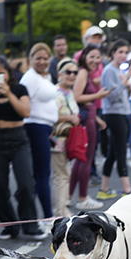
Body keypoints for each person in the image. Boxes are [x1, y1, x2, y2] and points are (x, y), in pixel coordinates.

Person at [0, 55, 46, 240]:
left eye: (1, 73)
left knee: (26, 183)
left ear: (8, 73)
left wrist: (8, 93)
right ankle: (9, 226)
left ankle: (30, 225)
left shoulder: (18, 89)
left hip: (19, 139)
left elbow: (25, 112)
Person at [20, 42, 59, 218]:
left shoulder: (44, 77)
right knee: (43, 175)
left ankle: (28, 216)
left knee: (38, 176)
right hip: (34, 127)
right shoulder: (30, 78)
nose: (42, 61)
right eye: (38, 58)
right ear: (31, 59)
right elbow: (24, 105)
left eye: (45, 58)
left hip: (43, 129)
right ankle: (47, 217)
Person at [70, 44, 109, 210]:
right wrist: (99, 95)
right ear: (84, 56)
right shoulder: (83, 72)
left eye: (97, 57)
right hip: (87, 120)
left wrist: (98, 119)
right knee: (86, 158)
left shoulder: (87, 73)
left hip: (91, 117)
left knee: (82, 159)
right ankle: (83, 197)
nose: (95, 60)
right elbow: (77, 96)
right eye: (91, 56)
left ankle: (70, 196)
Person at [99, 39, 131, 198]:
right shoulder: (109, 70)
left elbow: (122, 93)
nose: (123, 55)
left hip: (120, 112)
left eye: (126, 52)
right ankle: (127, 190)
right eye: (120, 52)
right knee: (121, 150)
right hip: (114, 113)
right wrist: (125, 82)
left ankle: (104, 189)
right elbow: (112, 95)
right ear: (113, 53)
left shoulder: (118, 70)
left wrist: (125, 84)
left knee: (113, 152)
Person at [52, 58, 80, 218]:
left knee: (64, 174)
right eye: (68, 72)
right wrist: (69, 118)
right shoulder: (56, 93)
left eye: (75, 72)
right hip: (57, 140)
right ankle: (60, 212)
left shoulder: (69, 92)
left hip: (67, 140)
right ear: (59, 74)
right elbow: (50, 116)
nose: (72, 75)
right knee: (61, 175)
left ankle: (62, 208)